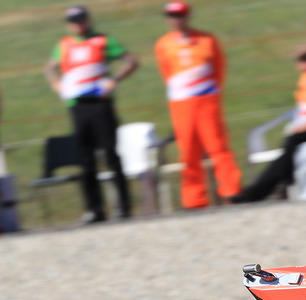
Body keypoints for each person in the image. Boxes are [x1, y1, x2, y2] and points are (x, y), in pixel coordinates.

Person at [44, 5, 139, 223]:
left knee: (111, 155)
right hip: (78, 106)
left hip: (100, 103)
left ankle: (124, 207)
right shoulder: (64, 45)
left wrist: (114, 80)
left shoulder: (103, 40)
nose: (77, 25)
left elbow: (131, 61)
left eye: (80, 20)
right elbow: (50, 67)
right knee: (86, 159)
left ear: (88, 20)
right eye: (73, 21)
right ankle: (95, 209)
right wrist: (56, 83)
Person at [231, 42, 306, 203]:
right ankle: (266, 189)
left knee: (293, 140)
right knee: (290, 145)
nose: (300, 63)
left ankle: (273, 187)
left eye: (304, 58)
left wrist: (303, 127)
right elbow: (304, 107)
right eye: (300, 59)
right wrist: (298, 125)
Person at [154, 1, 242, 209]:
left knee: (218, 147)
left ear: (187, 16)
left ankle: (231, 191)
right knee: (188, 152)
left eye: (180, 15)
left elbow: (219, 68)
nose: (176, 19)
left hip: (206, 100)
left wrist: (210, 92)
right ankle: (195, 200)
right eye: (172, 15)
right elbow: (166, 72)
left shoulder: (207, 40)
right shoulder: (163, 45)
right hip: (181, 104)